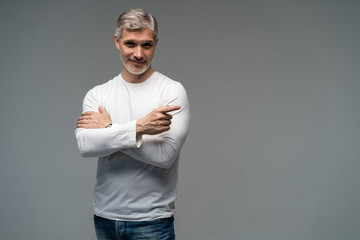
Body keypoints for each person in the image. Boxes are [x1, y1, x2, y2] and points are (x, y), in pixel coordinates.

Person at [75, 8, 190, 240]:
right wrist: (140, 127)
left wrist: (108, 129)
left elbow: (164, 155)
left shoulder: (171, 91)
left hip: (153, 220)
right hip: (105, 217)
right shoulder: (98, 95)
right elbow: (86, 146)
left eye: (146, 45)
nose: (138, 54)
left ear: (156, 44)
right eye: (130, 44)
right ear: (117, 42)